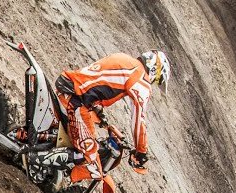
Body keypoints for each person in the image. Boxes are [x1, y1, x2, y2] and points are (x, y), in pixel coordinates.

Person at [41, 51, 172, 183]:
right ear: (155, 70)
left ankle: (47, 158)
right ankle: (38, 160)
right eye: (157, 80)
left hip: (68, 85)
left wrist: (97, 109)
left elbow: (96, 80)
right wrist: (141, 151)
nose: (152, 82)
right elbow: (139, 120)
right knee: (90, 156)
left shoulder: (124, 58)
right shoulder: (141, 79)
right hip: (76, 100)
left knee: (84, 135)